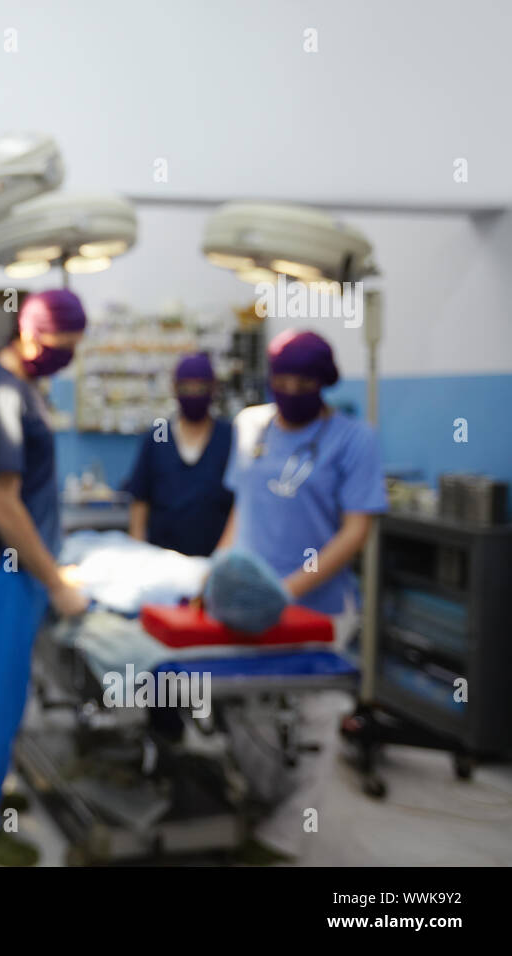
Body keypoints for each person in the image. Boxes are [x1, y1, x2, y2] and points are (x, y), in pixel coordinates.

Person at [216, 328, 387, 861]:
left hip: (318, 608)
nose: (290, 388)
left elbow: (356, 531)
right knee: (246, 712)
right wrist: (215, 572)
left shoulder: (354, 439)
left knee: (312, 724)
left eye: (303, 380)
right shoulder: (252, 428)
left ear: (325, 382)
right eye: (281, 378)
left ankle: (285, 838)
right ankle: (261, 802)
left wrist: (288, 589)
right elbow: (241, 508)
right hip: (248, 605)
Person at [0, 288, 89, 866]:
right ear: (30, 335)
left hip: (6, 571)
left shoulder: (19, 386)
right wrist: (56, 581)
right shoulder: (2, 397)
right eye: (61, 348)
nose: (66, 358)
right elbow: (3, 505)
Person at [126, 352, 234, 556]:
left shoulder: (229, 436)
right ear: (174, 388)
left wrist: (223, 560)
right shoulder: (159, 435)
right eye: (186, 388)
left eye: (201, 388)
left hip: (214, 561)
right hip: (162, 562)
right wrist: (137, 553)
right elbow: (140, 499)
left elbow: (240, 506)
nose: (193, 394)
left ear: (214, 388)